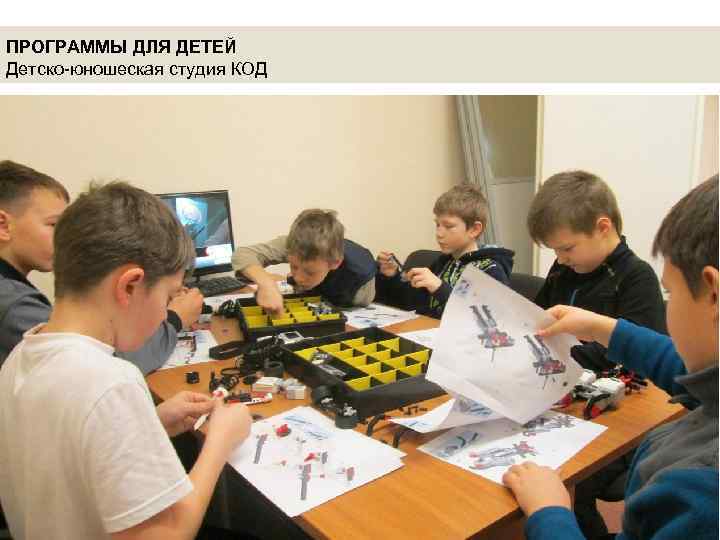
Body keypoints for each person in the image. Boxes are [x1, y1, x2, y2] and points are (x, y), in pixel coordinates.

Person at [0, 181, 252, 539]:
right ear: (129, 286)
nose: (165, 312)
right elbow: (168, 534)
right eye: (167, 297)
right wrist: (220, 442)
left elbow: (67, 457)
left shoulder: (23, 354)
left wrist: (152, 423)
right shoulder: (111, 382)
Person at [503, 174, 719, 540]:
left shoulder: (701, 495)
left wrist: (549, 513)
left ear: (713, 293)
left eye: (671, 292)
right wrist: (604, 328)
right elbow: (678, 366)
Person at [0, 160, 203, 373]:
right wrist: (174, 319)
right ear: (3, 225)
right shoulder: (14, 305)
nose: (67, 235)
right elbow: (111, 362)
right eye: (54, 224)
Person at [527, 170, 666, 372]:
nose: (560, 259)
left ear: (602, 228)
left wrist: (553, 352)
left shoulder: (637, 277)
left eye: (567, 248)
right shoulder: (562, 269)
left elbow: (639, 353)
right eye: (555, 250)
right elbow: (537, 318)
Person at [376, 184, 513, 318]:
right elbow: (411, 304)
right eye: (437, 224)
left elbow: (488, 319)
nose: (439, 233)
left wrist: (440, 288)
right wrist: (392, 276)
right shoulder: (443, 262)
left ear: (474, 229)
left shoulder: (491, 270)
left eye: (448, 226)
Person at [232, 209, 376, 314]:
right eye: (294, 266)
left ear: (335, 263)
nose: (299, 278)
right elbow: (243, 254)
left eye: (309, 272)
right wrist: (266, 283)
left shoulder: (360, 281)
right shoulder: (294, 244)